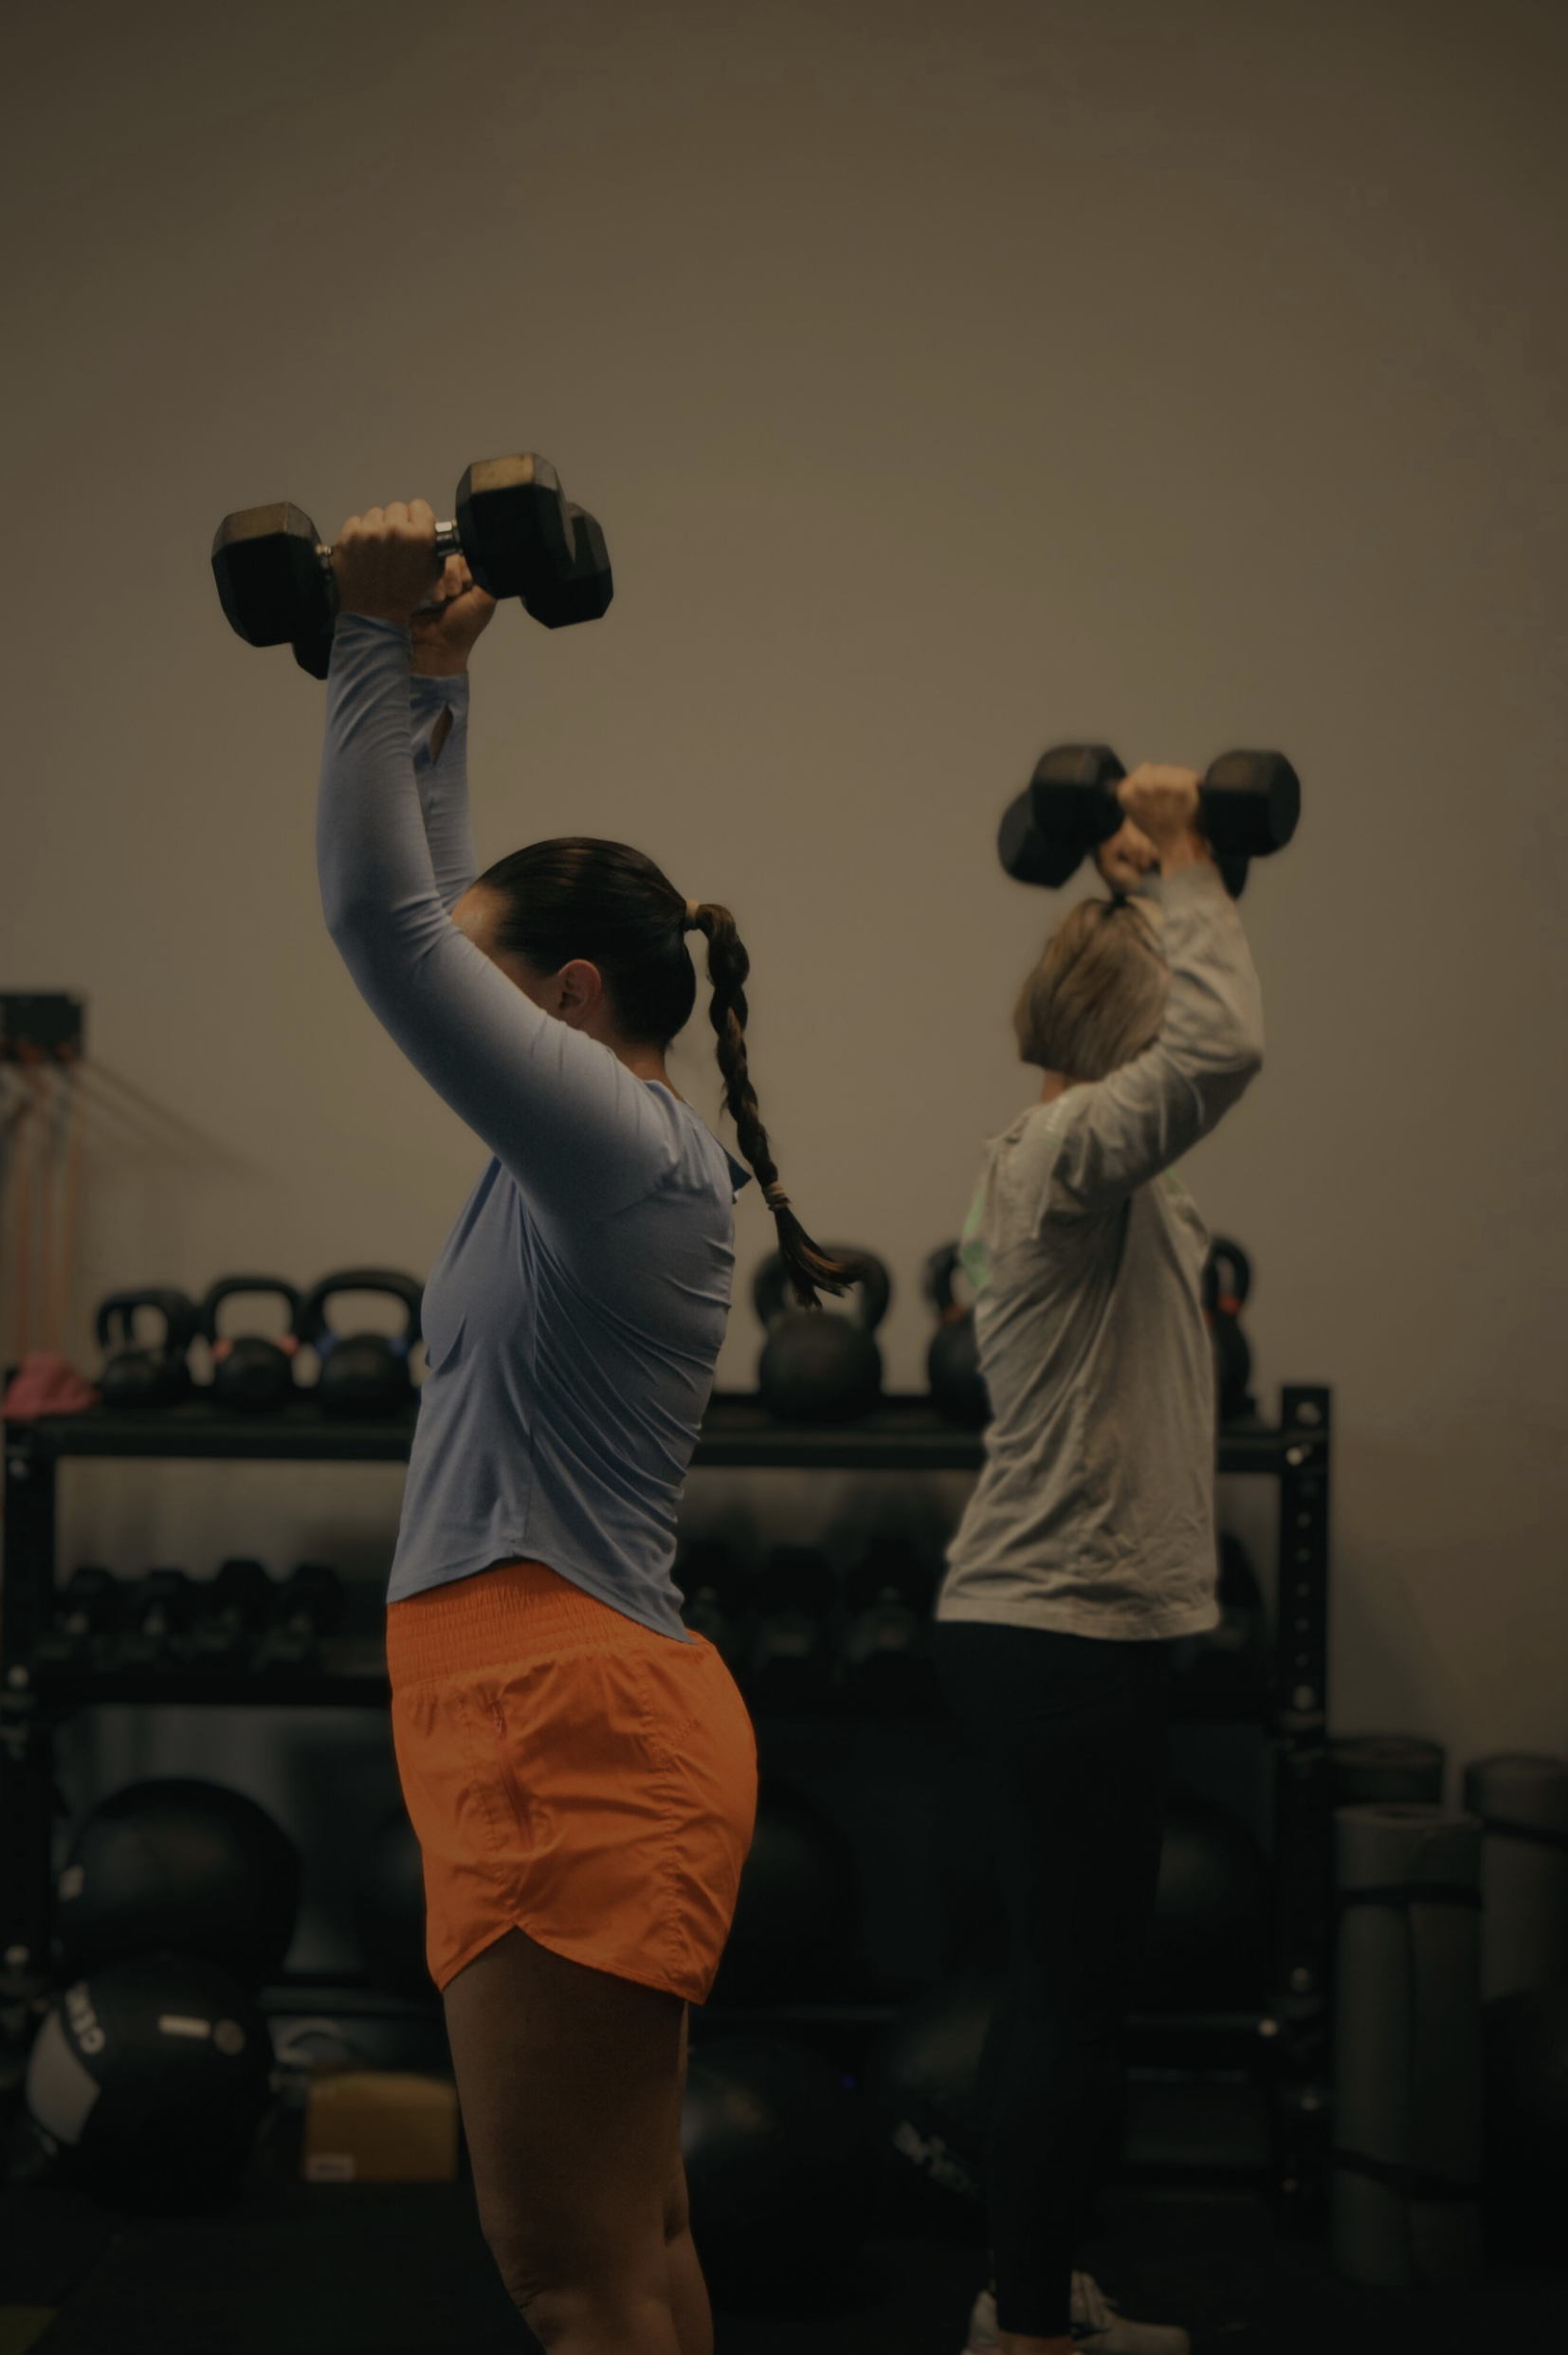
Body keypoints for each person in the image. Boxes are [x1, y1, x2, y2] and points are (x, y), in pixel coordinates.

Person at [313, 498, 856, 2355]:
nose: (465, 1026)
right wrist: (440, 691)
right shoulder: (596, 1155)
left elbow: (384, 922)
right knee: (629, 2246)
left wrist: (366, 644)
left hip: (562, 1724)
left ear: (568, 1001)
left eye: (500, 995)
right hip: (553, 1704)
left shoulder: (622, 1152)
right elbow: (443, 911)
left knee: (575, 2277)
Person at [933, 769, 1266, 2355]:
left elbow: (1199, 1031)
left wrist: (1160, 880)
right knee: (1072, 2005)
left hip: (1057, 1625)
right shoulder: (1065, 1158)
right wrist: (1182, 865)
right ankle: (1028, 2338)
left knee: (1052, 1991)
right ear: (1134, 1031)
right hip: (1061, 1630)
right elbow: (1222, 1046)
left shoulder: (1071, 1161)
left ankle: (1025, 2298)